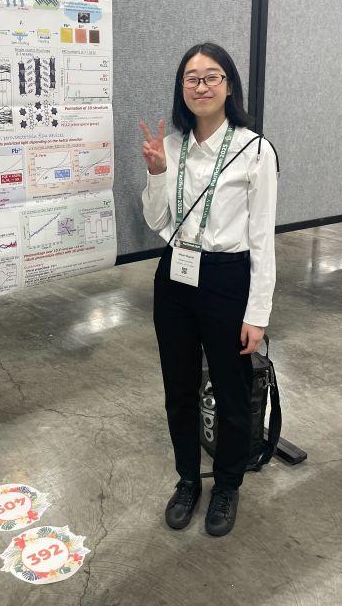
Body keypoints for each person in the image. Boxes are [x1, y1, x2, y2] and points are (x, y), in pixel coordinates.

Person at [139, 42, 277, 537]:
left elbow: (262, 238)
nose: (201, 86)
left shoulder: (254, 150)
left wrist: (257, 313)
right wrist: (157, 172)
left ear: (229, 86)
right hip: (176, 276)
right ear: (182, 88)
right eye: (192, 78)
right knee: (178, 387)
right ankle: (187, 479)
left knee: (231, 389)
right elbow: (156, 221)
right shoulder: (172, 145)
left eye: (211, 76)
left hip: (227, 278)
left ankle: (227, 485)